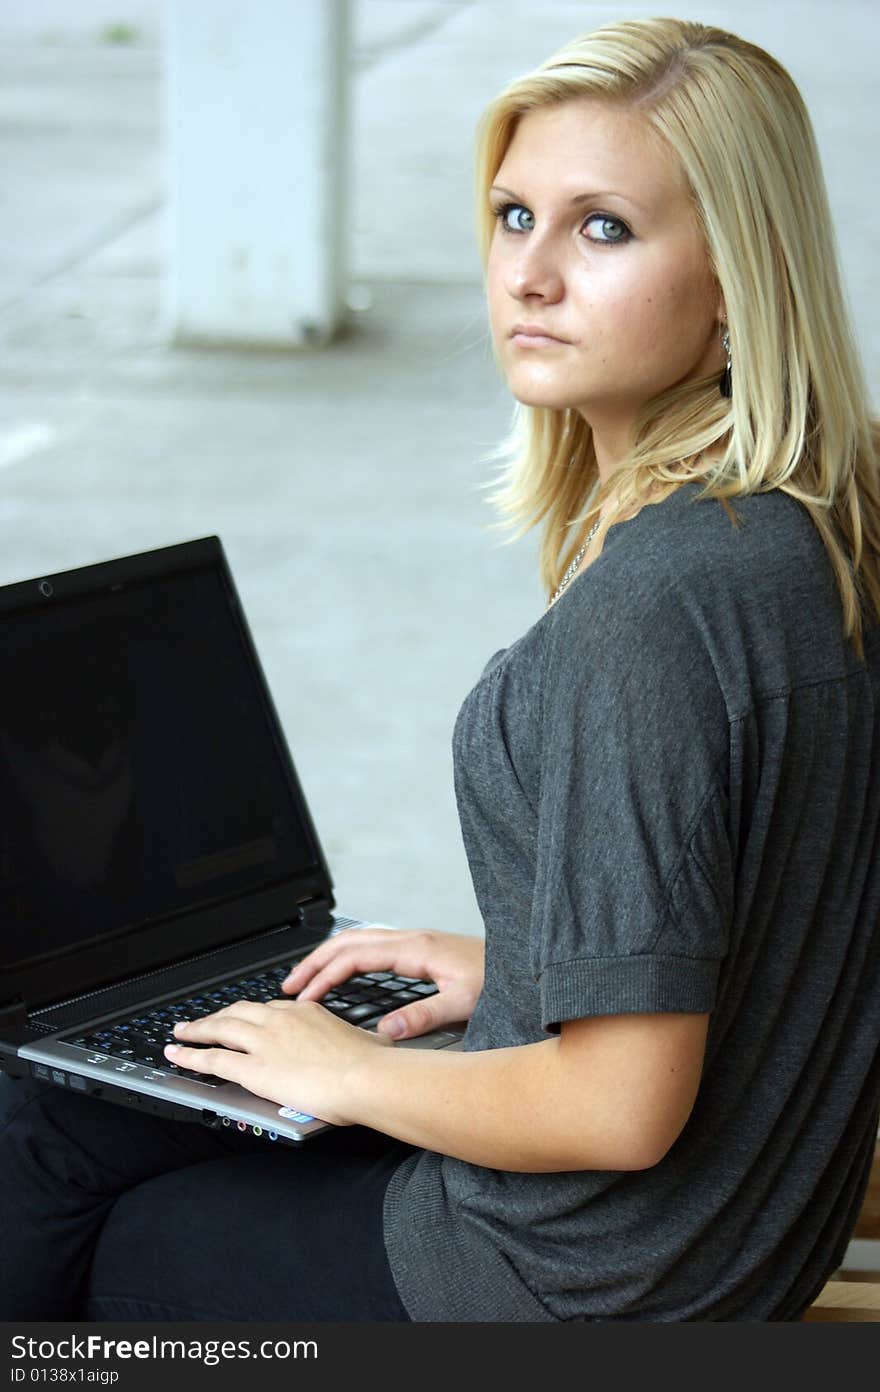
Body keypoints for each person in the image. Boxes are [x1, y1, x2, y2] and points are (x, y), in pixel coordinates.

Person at [2, 15, 879, 1323]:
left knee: (103, 1207)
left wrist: (341, 1072)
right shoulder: (822, 528)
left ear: (739, 276)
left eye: (603, 228)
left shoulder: (649, 613)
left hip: (576, 1277)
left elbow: (619, 1109)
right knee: (76, 1104)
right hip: (733, 1239)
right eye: (513, 215)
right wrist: (528, 964)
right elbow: (766, 888)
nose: (527, 274)